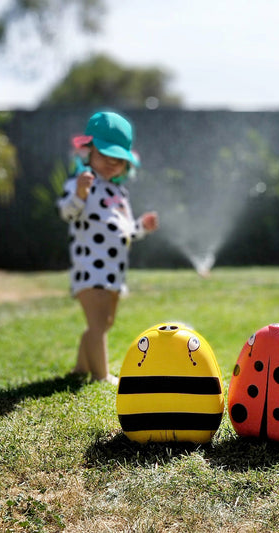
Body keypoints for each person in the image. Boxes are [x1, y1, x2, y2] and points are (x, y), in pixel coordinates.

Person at [57, 111, 158, 384]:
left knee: (105, 322)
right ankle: (100, 376)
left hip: (113, 272)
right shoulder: (79, 185)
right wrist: (79, 193)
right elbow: (67, 213)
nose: (111, 163)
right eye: (105, 155)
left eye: (118, 160)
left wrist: (142, 227)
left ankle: (80, 368)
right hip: (89, 269)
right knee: (98, 324)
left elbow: (126, 231)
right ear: (87, 151)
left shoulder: (119, 194)